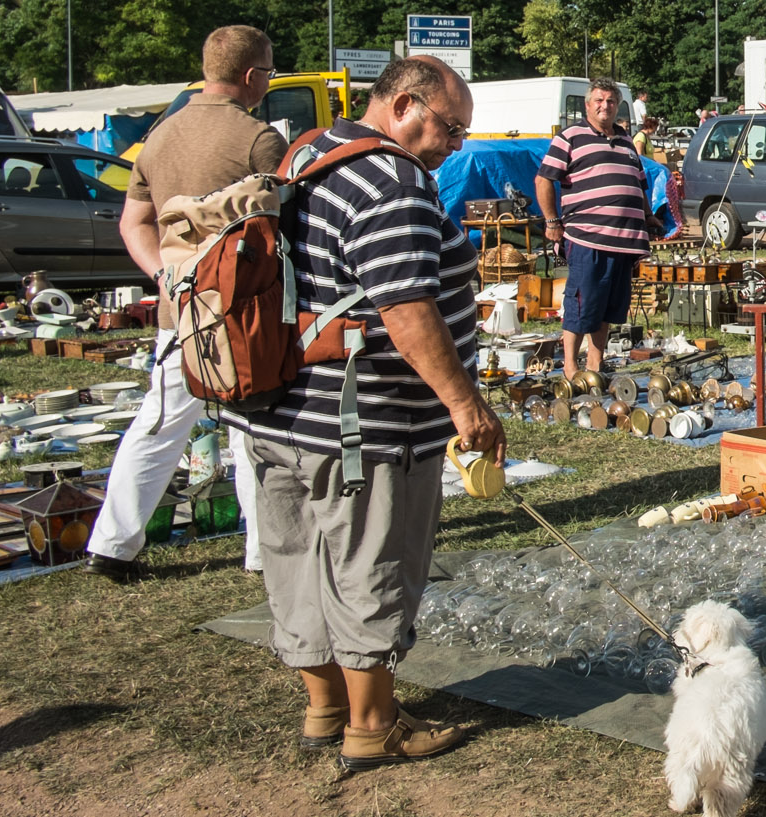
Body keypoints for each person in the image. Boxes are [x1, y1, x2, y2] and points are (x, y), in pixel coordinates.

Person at [234, 55, 500, 769]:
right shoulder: (392, 181)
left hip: (279, 411)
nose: (456, 145)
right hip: (364, 421)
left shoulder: (309, 152)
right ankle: (373, 724)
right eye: (450, 127)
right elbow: (407, 310)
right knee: (370, 565)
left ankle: (325, 707)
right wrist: (464, 404)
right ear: (407, 103)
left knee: (297, 564)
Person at [82, 25, 287, 584]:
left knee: (160, 424)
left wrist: (169, 278)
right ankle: (264, 552)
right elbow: (279, 231)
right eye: (268, 72)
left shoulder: (160, 136)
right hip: (244, 312)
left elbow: (134, 223)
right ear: (251, 75)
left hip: (182, 312)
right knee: (254, 427)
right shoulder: (258, 139)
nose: (267, 83)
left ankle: (112, 545)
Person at [535, 79, 654, 375]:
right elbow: (543, 179)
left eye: (611, 101)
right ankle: (571, 368)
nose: (605, 106)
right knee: (581, 301)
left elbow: (639, 185)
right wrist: (552, 222)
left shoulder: (627, 141)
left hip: (624, 240)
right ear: (588, 105)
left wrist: (649, 216)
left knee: (609, 307)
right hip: (586, 237)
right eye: (599, 100)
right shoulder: (570, 137)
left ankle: (595, 363)